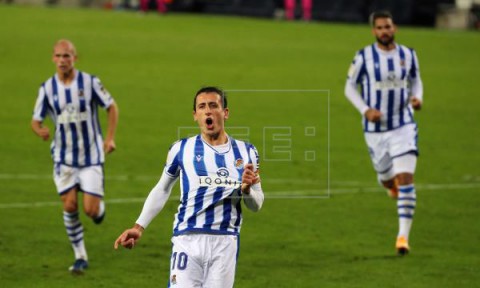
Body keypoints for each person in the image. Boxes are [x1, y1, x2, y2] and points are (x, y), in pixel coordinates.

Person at [114, 87, 264, 287]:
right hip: (187, 239)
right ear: (195, 115)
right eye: (202, 107)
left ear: (225, 112)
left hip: (225, 242)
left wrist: (246, 190)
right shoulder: (181, 149)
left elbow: (257, 204)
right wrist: (139, 226)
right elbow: (162, 188)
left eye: (214, 106)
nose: (208, 111)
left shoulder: (247, 152)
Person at [31, 39, 119, 273]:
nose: (62, 60)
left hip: (91, 156)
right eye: (59, 56)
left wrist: (109, 138)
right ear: (53, 58)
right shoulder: (47, 88)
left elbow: (111, 107)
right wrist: (39, 129)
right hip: (64, 158)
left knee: (91, 211)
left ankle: (99, 210)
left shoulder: (90, 82)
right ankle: (80, 256)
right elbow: (35, 119)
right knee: (69, 205)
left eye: (67, 56)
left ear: (75, 58)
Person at [344, 11, 423, 255]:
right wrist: (365, 109)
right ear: (373, 31)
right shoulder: (364, 57)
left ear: (394, 27)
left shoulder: (408, 55)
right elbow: (349, 87)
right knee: (387, 178)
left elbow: (416, 80)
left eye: (387, 27)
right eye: (379, 28)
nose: (384, 31)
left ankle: (402, 237)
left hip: (403, 125)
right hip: (375, 131)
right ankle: (389, 184)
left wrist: (417, 98)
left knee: (406, 179)